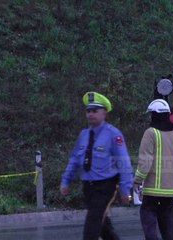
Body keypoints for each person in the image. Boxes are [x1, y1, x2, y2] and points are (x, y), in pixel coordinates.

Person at [60, 91, 133, 240]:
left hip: (105, 186)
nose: (91, 114)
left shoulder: (113, 134)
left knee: (92, 225)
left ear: (104, 113)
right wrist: (65, 181)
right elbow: (74, 159)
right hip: (88, 186)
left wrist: (125, 190)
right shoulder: (84, 135)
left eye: (95, 111)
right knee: (103, 226)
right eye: (88, 111)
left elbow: (123, 162)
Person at [133, 99, 173, 240]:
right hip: (170, 192)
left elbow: (145, 161)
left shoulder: (151, 133)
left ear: (154, 114)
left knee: (149, 222)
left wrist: (137, 180)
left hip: (152, 191)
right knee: (168, 227)